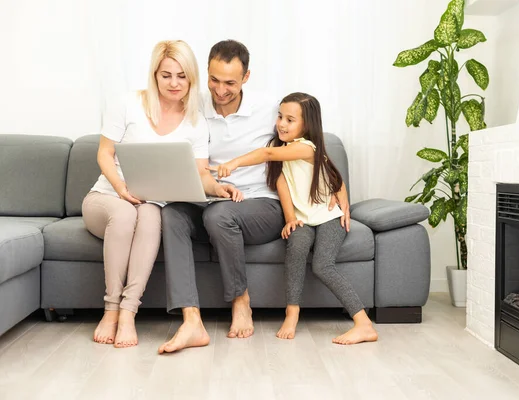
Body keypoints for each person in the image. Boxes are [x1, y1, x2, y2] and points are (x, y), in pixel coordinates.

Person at [158, 40, 351, 354]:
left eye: (230, 83)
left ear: (246, 77)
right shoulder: (192, 107)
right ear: (206, 72)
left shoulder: (268, 110)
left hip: (261, 204)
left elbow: (315, 148)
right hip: (209, 197)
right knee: (172, 215)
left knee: (219, 216)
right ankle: (191, 319)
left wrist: (341, 191)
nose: (220, 90)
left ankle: (241, 302)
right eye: (214, 80)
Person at [82, 40, 235, 348]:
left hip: (150, 203)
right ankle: (111, 309)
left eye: (182, 75)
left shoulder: (195, 122)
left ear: (191, 77)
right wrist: (122, 189)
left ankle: (128, 313)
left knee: (153, 214)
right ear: (154, 75)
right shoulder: (127, 103)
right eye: (166, 75)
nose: (174, 83)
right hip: (107, 198)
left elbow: (201, 173)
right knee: (126, 214)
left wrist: (218, 188)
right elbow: (104, 153)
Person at [211, 92, 378, 345]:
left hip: (329, 218)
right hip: (303, 220)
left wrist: (233, 163)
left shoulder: (307, 148)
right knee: (296, 250)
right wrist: (290, 218)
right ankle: (292, 314)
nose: (281, 124)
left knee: (322, 265)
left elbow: (268, 157)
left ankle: (363, 323)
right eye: (280, 117)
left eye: (290, 120)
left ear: (306, 125)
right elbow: (283, 185)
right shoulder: (281, 148)